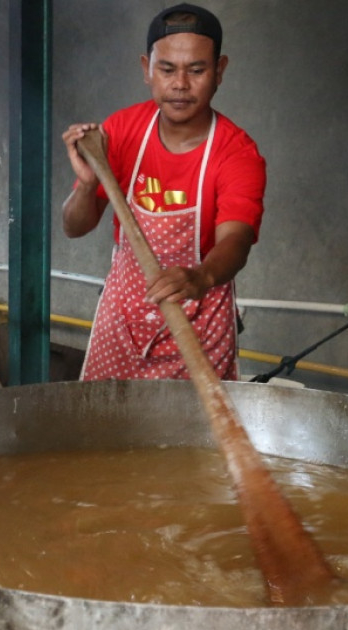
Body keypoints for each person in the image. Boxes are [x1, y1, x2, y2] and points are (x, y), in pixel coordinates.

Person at [61, 3, 266, 382]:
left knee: (193, 440)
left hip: (199, 329)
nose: (180, 85)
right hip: (122, 324)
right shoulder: (121, 130)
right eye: (167, 69)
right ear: (147, 70)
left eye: (197, 70)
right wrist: (88, 187)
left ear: (219, 71)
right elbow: (74, 226)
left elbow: (236, 241)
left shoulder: (237, 153)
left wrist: (201, 276)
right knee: (107, 433)